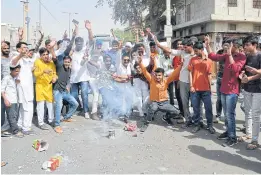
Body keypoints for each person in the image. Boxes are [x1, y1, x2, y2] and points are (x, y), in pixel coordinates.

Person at [205, 36, 246, 147]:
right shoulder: (227, 55)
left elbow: (235, 69)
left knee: (230, 114)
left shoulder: (241, 56)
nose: (227, 47)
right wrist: (208, 45)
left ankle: (233, 138)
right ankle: (228, 132)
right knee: (226, 114)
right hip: (223, 88)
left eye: (229, 45)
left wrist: (229, 55)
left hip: (233, 90)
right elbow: (214, 57)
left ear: (235, 46)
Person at [156, 38, 196, 127]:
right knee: (184, 102)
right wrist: (159, 45)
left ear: (191, 46)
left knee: (195, 102)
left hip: (194, 82)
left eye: (186, 47)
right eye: (183, 47)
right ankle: (188, 119)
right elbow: (170, 50)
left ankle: (197, 120)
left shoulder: (197, 54)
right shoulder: (182, 53)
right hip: (183, 81)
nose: (184, 49)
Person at [138, 55, 181, 132]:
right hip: (155, 102)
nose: (158, 77)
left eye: (159, 75)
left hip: (164, 103)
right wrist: (140, 63)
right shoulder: (151, 80)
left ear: (163, 75)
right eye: (156, 75)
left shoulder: (166, 81)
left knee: (177, 112)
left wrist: (181, 65)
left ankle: (166, 117)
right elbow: (144, 71)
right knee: (153, 108)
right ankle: (146, 123)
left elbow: (174, 73)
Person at [188, 41, 216, 134]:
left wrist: (210, 88)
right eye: (194, 51)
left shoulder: (208, 61)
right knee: (196, 108)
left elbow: (209, 75)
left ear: (201, 49)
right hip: (195, 89)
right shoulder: (192, 60)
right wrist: (191, 85)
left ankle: (210, 125)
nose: (195, 53)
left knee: (208, 108)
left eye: (196, 51)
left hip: (206, 89)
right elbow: (190, 73)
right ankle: (197, 124)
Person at [240, 35, 261, 150]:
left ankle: (255, 140)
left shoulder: (260, 55)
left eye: (248, 44)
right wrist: (242, 75)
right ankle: (248, 133)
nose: (245, 47)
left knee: (255, 114)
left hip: (258, 89)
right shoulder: (247, 57)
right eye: (245, 44)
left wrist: (250, 77)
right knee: (247, 112)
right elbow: (244, 69)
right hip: (247, 88)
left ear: (254, 45)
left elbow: (259, 72)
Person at [11, 42, 35, 135]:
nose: (26, 49)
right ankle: (26, 128)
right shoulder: (17, 58)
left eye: (26, 47)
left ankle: (20, 124)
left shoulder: (27, 59)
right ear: (18, 49)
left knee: (23, 107)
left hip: (28, 87)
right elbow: (13, 63)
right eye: (24, 47)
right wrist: (20, 55)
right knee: (27, 107)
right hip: (23, 87)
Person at [34, 47, 57, 130]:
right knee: (40, 105)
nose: (46, 56)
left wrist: (55, 78)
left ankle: (51, 120)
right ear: (40, 56)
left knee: (50, 104)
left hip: (49, 87)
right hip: (40, 86)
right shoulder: (37, 62)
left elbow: (55, 73)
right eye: (43, 55)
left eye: (47, 54)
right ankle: (41, 123)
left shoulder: (51, 63)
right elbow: (35, 74)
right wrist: (43, 71)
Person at [1, 64, 24, 138]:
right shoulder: (6, 78)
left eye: (19, 71)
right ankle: (16, 131)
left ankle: (3, 130)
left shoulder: (15, 78)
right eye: (16, 71)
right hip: (9, 100)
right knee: (12, 117)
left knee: (12, 116)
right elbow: (2, 90)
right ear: (11, 70)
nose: (17, 72)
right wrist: (5, 100)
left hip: (15, 101)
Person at [214, 43, 229, 123]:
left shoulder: (231, 54)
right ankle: (218, 115)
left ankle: (227, 117)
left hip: (227, 79)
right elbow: (216, 61)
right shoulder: (219, 52)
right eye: (224, 47)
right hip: (220, 77)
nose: (225, 49)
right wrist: (216, 72)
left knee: (226, 100)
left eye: (227, 48)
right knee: (219, 99)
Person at [87, 50, 103, 120]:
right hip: (90, 80)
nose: (96, 57)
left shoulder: (99, 62)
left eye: (97, 56)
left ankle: (102, 111)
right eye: (95, 55)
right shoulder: (87, 61)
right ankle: (94, 113)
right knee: (96, 94)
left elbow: (99, 66)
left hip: (98, 80)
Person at [1, 41, 12, 137]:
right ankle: (2, 129)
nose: (6, 50)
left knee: (9, 109)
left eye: (8, 48)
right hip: (3, 88)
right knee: (2, 110)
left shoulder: (11, 58)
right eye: (4, 48)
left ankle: (5, 128)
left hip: (11, 87)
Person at [172, 39, 184, 119]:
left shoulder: (184, 55)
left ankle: (183, 115)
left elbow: (183, 69)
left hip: (181, 79)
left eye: (181, 44)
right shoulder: (175, 56)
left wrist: (179, 79)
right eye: (178, 44)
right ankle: (181, 113)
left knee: (181, 97)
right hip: (176, 79)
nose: (179, 45)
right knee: (178, 97)